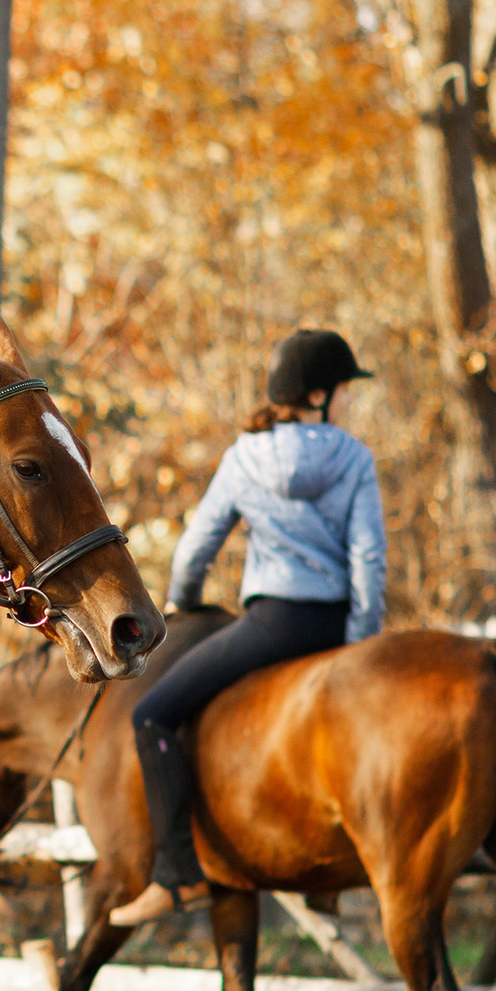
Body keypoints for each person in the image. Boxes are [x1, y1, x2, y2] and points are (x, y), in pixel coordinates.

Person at [108, 329, 387, 927]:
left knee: (151, 715)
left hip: (272, 625)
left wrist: (183, 606)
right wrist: (361, 645)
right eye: (344, 391)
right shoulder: (355, 458)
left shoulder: (244, 458)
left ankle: (175, 876)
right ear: (317, 396)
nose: (348, 403)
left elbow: (195, 551)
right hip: (334, 625)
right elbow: (368, 561)